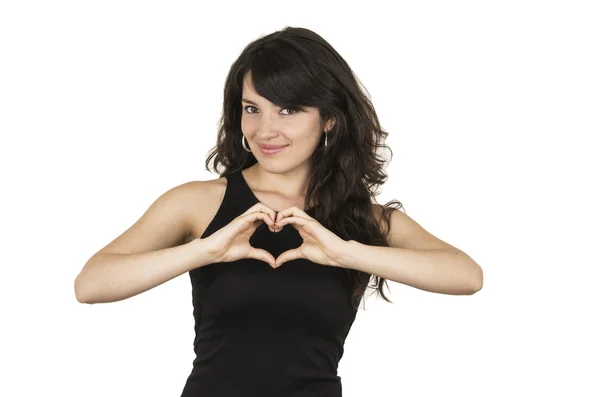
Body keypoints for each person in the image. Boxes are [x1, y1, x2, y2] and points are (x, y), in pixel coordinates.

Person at [74, 26, 483, 397]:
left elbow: (466, 275)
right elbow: (90, 285)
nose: (264, 130)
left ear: (329, 120)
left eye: (287, 110)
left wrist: (345, 252)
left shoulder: (365, 220)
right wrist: (205, 251)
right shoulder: (198, 202)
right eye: (252, 108)